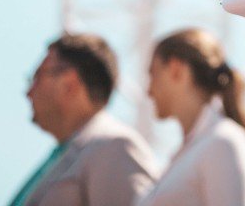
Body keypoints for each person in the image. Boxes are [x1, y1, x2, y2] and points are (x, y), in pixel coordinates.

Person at [12, 33, 158, 206]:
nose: (28, 92)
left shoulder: (113, 147)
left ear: (69, 83)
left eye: (37, 77)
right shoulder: (68, 154)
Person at [138, 28, 245, 206]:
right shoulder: (194, 149)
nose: (148, 91)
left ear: (175, 69)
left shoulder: (222, 142)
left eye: (153, 74)